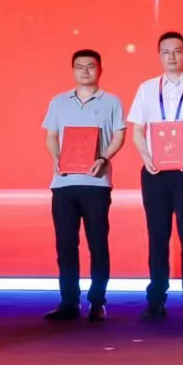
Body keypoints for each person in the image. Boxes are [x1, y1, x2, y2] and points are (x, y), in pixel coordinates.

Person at [127, 31, 183, 320]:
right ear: (159, 55)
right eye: (166, 51)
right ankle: (156, 299)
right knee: (158, 236)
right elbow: (137, 128)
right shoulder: (146, 88)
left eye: (177, 51)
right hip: (154, 171)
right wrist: (145, 156)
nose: (171, 56)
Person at [42, 49, 126, 322]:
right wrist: (56, 158)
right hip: (63, 184)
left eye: (91, 66)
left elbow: (119, 135)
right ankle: (69, 302)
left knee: (98, 244)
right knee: (66, 245)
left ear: (100, 69)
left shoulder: (111, 101)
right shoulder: (58, 101)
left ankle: (97, 302)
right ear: (73, 70)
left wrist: (104, 158)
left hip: (97, 183)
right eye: (79, 67)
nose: (85, 71)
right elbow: (51, 136)